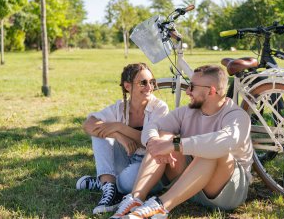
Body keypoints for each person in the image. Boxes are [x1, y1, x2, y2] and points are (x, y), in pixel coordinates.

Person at [111, 65, 253, 219]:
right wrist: (154, 141)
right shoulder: (188, 111)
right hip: (190, 184)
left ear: (211, 91)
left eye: (192, 87)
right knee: (163, 136)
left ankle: (161, 206)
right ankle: (136, 198)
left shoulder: (237, 116)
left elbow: (225, 143)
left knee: (212, 151)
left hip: (226, 191)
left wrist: (176, 145)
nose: (187, 91)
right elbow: (154, 126)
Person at [76, 63, 169, 214]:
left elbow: (150, 141)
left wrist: (120, 127)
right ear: (128, 86)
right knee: (99, 134)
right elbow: (88, 124)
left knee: (128, 185)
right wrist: (117, 135)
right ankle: (110, 189)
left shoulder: (160, 107)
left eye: (152, 82)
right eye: (143, 82)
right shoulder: (120, 107)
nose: (149, 87)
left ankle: (105, 182)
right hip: (126, 156)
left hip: (148, 163)